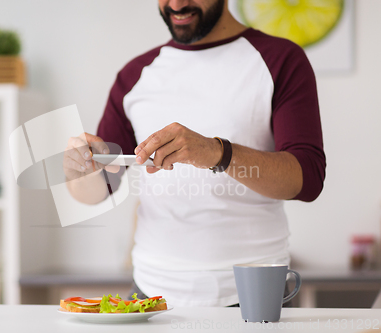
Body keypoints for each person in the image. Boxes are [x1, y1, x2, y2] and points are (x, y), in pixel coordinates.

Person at [63, 0, 325, 307]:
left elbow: (307, 178)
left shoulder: (280, 59)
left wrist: (218, 153)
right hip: (150, 295)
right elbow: (102, 186)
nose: (176, 4)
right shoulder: (135, 75)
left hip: (253, 295)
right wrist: (80, 172)